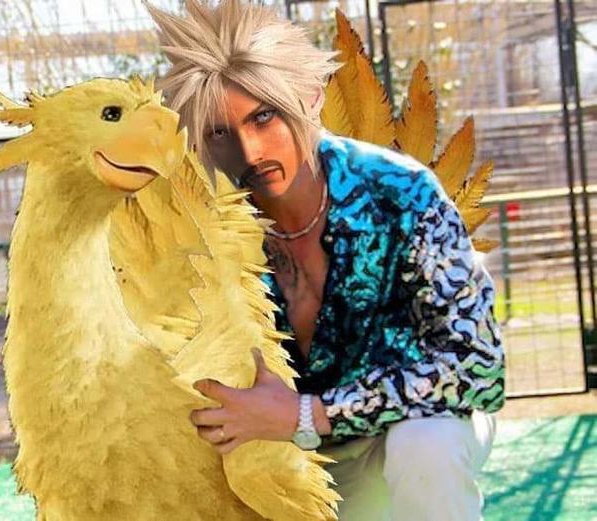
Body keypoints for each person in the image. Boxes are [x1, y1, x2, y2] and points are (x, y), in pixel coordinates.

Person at [146, 1, 506, 519]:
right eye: (221, 133)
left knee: (427, 445)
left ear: (311, 98)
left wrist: (309, 414)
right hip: (287, 454)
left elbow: (477, 368)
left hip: (402, 429)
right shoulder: (202, 228)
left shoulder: (399, 193)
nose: (249, 151)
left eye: (263, 117)